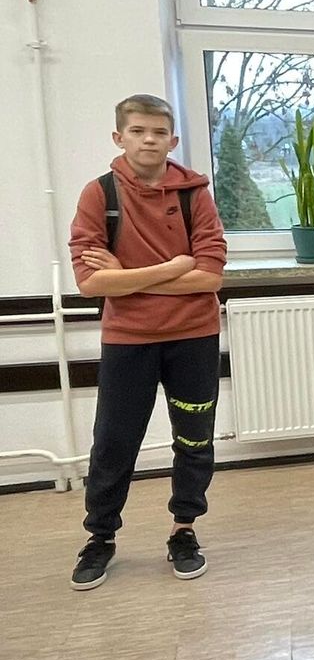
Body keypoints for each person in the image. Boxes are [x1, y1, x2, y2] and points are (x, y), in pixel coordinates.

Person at [67, 93, 227, 590]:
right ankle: (100, 536)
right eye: (137, 131)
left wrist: (127, 277)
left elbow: (210, 277)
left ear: (172, 140)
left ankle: (184, 529)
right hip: (128, 339)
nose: (148, 140)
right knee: (113, 442)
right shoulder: (99, 195)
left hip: (194, 337)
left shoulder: (195, 194)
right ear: (119, 137)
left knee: (194, 439)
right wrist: (172, 267)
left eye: (158, 132)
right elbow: (91, 283)